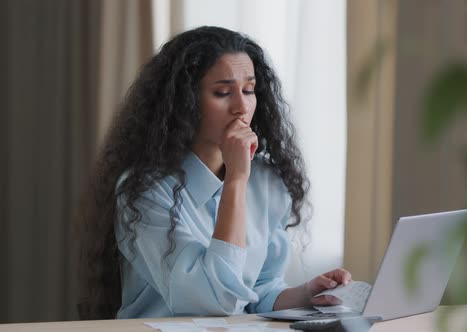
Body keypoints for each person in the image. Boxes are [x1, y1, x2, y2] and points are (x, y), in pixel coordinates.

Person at [78, 26, 352, 320]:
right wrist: (236, 180)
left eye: (248, 90)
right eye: (222, 92)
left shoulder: (269, 182)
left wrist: (307, 294)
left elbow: (258, 290)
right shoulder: (145, 191)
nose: (241, 107)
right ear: (186, 102)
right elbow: (212, 302)